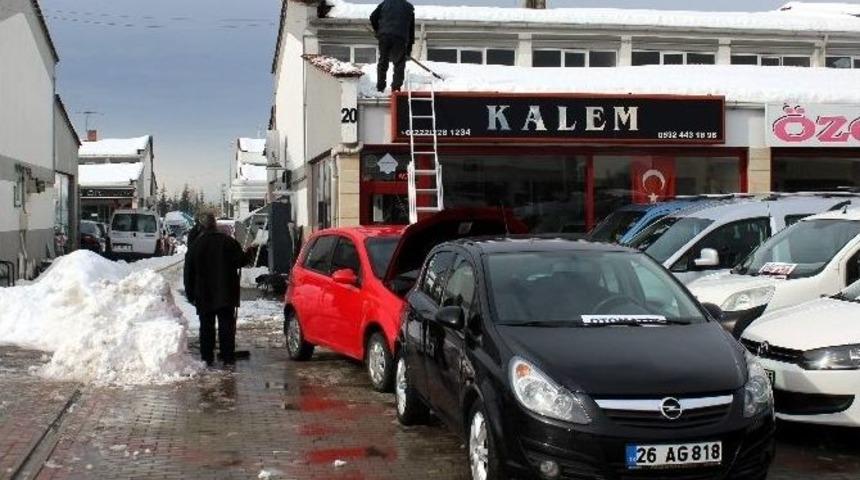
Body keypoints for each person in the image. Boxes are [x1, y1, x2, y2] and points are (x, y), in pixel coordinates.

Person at [184, 213, 244, 366]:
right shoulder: (228, 242)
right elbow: (241, 261)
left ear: (202, 227)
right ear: (215, 225)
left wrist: (190, 294)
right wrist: (249, 253)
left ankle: (207, 357)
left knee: (206, 327)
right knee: (226, 326)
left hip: (204, 294)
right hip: (226, 293)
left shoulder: (195, 246)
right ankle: (227, 355)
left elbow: (188, 272)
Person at [370, 0, 415, 92]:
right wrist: (409, 48)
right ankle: (396, 88)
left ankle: (380, 87)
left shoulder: (385, 4)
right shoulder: (409, 7)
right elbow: (411, 30)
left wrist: (378, 30)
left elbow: (372, 17)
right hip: (400, 38)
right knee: (399, 63)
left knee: (383, 61)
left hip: (384, 36)